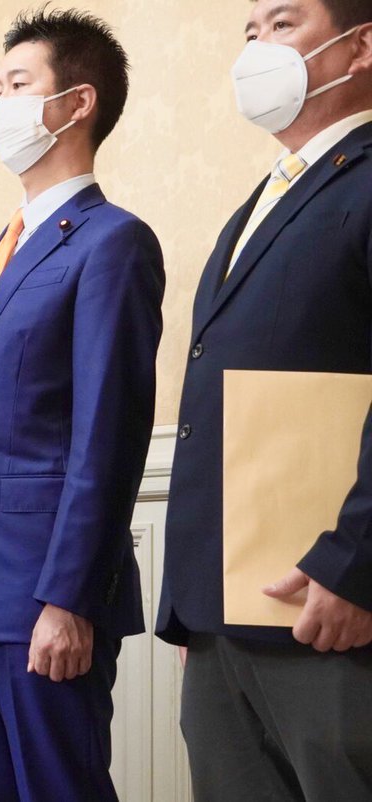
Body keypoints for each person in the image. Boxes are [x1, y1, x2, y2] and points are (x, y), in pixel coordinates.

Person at [0, 9, 165, 801]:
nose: (0, 104)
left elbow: (109, 435)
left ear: (77, 103)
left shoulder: (112, 241)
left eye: (17, 85)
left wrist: (68, 598)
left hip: (44, 592)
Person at [158, 1, 372, 798]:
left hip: (333, 609)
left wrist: (356, 567)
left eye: (282, 25)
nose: (257, 50)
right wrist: (192, 607)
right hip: (226, 616)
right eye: (249, 33)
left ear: (361, 46)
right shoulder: (261, 201)